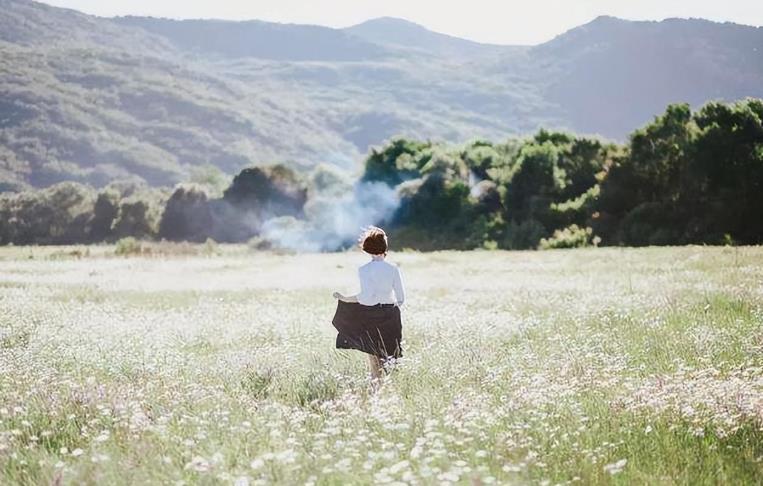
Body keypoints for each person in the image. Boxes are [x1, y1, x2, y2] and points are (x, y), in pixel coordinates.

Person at [332, 226, 405, 382]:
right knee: (392, 357)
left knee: (374, 358)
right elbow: (401, 299)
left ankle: (376, 391)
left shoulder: (364, 270)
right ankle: (391, 390)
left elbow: (367, 298)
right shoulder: (393, 269)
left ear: (368, 248)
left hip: (372, 315)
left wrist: (345, 298)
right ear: (385, 247)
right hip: (392, 314)